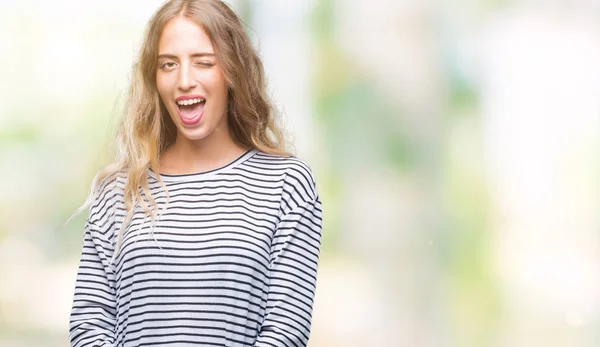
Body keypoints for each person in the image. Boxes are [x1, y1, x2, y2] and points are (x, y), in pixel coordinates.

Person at [68, 1, 323, 346]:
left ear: (233, 71)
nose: (184, 80)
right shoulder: (116, 190)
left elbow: (285, 333)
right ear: (153, 78)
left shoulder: (286, 184)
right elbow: (89, 327)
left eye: (204, 62)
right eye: (168, 64)